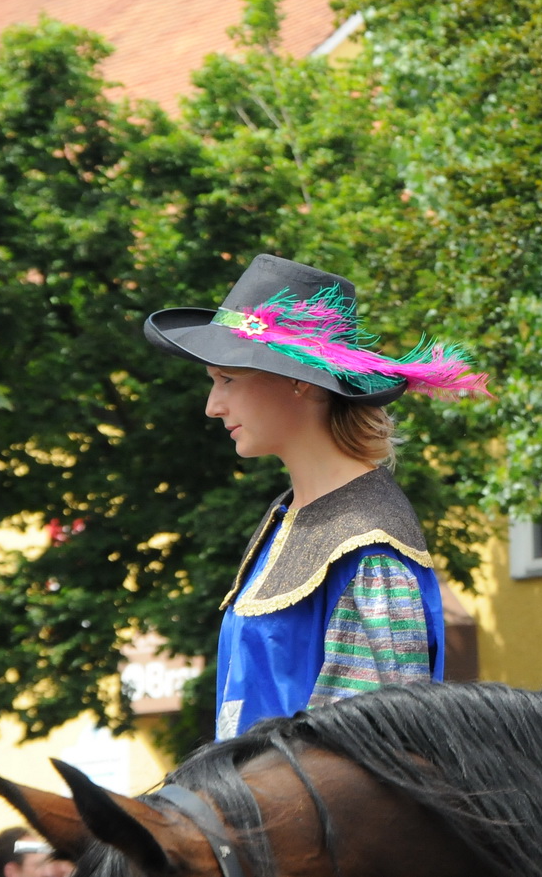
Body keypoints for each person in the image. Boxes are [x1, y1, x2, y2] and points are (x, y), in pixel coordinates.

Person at [145, 254, 486, 738]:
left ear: (299, 381)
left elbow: (366, 760)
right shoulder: (288, 517)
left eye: (227, 380)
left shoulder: (369, 544)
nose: (212, 406)